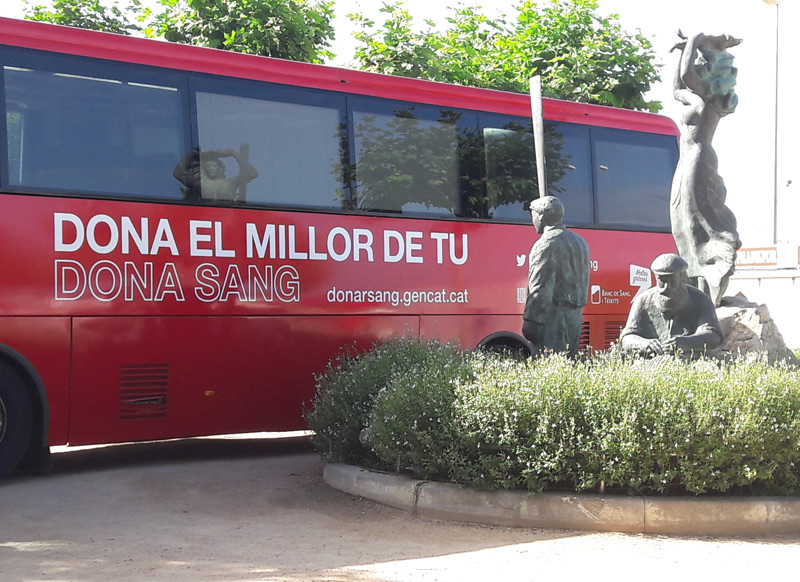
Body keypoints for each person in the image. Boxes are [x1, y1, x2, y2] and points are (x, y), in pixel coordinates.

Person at [670, 31, 742, 307]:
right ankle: (694, 286)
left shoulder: (705, 101)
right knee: (681, 223)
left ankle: (706, 284)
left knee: (696, 221)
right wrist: (684, 50)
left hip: (698, 161)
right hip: (687, 160)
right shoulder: (700, 97)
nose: (697, 69)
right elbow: (677, 86)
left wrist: (693, 40)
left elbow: (686, 78)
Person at [522, 196, 590, 357]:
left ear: (541, 216)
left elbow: (539, 288)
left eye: (533, 215)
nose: (533, 220)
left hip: (553, 318)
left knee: (548, 369)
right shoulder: (580, 242)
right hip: (575, 317)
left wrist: (532, 321)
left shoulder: (546, 244)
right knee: (568, 366)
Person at [619, 253, 722, 358]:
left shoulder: (701, 300)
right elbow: (627, 338)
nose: (666, 288)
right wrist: (644, 344)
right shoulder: (643, 300)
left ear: (682, 277)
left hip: (690, 361)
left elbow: (713, 336)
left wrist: (685, 342)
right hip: (650, 362)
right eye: (661, 281)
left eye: (672, 281)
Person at [173, 146, 258, 202]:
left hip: (229, 218)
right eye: (208, 166)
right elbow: (178, 174)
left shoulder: (231, 183)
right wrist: (191, 154)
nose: (210, 168)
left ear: (221, 168)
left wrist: (234, 153)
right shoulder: (201, 184)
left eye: (214, 166)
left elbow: (252, 174)